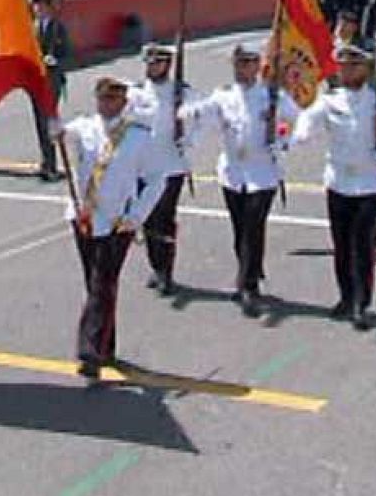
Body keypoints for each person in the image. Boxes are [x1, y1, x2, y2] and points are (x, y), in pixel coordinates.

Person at [291, 44, 376, 330]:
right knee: (342, 244)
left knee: (362, 244)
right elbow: (307, 121)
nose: (346, 71)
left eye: (353, 66)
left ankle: (361, 302)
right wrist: (297, 136)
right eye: (343, 66)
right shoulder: (330, 100)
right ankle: (345, 296)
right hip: (338, 181)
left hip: (369, 182)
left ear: (366, 69)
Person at [57, 77, 167, 379]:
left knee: (102, 282)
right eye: (102, 98)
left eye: (112, 99)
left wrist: (137, 215)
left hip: (118, 221)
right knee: (95, 283)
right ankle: (106, 346)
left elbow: (157, 179)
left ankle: (89, 350)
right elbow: (62, 134)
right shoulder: (85, 127)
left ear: (123, 102)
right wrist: (53, 128)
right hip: (84, 217)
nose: (106, 104)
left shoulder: (139, 137)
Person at [183, 44, 300, 316]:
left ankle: (248, 285)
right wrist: (181, 111)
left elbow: (298, 121)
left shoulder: (272, 95)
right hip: (233, 173)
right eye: (238, 63)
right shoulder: (223, 96)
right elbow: (200, 112)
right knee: (240, 230)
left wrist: (283, 141)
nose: (242, 68)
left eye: (248, 63)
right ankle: (250, 271)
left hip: (263, 172)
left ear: (258, 66)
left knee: (253, 228)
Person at [125, 43, 194, 296]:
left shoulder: (181, 91)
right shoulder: (136, 91)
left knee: (165, 218)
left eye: (158, 63)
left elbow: (198, 116)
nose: (153, 67)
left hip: (171, 164)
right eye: (150, 63)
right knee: (148, 218)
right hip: (143, 165)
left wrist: (188, 138)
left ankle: (166, 270)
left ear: (168, 65)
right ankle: (156, 266)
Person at [33, 0, 72, 180]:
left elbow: (68, 53)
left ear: (49, 7)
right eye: (36, 6)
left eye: (41, 6)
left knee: (48, 120)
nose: (38, 9)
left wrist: (55, 60)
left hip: (53, 80)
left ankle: (51, 163)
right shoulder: (33, 27)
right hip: (37, 80)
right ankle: (45, 161)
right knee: (39, 122)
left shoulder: (58, 28)